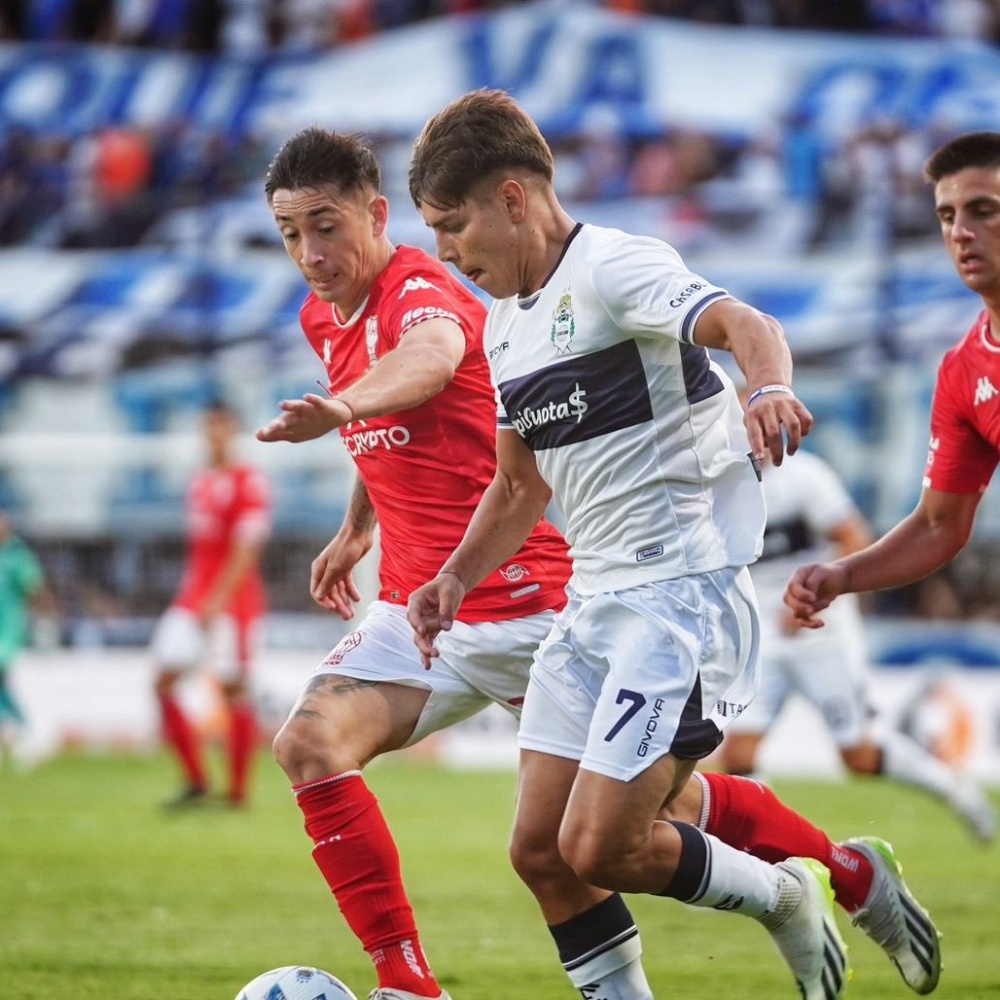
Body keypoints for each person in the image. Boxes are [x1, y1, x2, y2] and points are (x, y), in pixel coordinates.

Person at [257, 125, 939, 1000]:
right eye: (289, 234)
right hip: (521, 604)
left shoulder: (537, 279)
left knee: (623, 833)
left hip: (628, 597)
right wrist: (409, 553)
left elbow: (433, 358)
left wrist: (768, 386)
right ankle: (410, 983)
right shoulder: (489, 320)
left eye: (451, 226)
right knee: (519, 838)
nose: (444, 249)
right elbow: (502, 478)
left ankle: (809, 883)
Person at [783, 131, 1000, 799]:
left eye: (984, 210)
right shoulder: (964, 371)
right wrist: (844, 573)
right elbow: (939, 526)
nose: (960, 231)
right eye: (945, 215)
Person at [722, 443, 997, 842]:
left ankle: (950, 785)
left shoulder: (804, 477)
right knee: (739, 755)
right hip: (763, 634)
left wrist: (815, 598)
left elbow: (853, 538)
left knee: (859, 756)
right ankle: (763, 854)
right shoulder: (725, 484)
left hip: (821, 631)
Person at [151, 400, 271, 808]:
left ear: (233, 431)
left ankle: (237, 793)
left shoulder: (248, 481)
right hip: (192, 600)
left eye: (221, 426)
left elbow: (246, 550)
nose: (212, 434)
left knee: (235, 690)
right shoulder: (200, 481)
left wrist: (218, 600)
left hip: (232, 603)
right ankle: (197, 780)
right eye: (207, 426)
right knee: (163, 682)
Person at [0, 511, 54, 766]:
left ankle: (28, 729)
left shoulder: (18, 557)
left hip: (8, 631)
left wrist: (48, 619)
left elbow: (36, 590)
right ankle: (21, 729)